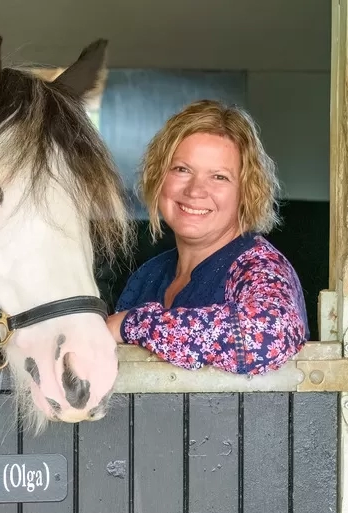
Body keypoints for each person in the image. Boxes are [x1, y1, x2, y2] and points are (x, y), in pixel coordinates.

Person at [106, 99, 309, 375]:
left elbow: (267, 336)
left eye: (219, 177)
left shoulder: (259, 267)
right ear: (158, 176)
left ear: (246, 192)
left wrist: (132, 324)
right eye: (182, 169)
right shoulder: (147, 276)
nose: (195, 190)